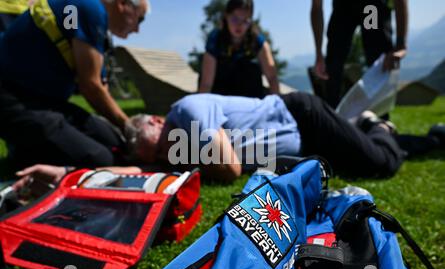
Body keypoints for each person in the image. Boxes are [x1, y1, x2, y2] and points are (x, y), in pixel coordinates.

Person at [13, 92, 444, 186]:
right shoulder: (172, 146)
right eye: (158, 157)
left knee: (380, 165)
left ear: (161, 120)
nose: (168, 157)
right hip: (303, 147)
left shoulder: (186, 110)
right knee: (363, 157)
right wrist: (67, 172)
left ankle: (379, 126)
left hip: (304, 119)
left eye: (163, 145)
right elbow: (135, 170)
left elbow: (229, 168)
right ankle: (429, 139)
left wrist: (176, 161)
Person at [0, 0, 149, 169]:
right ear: (123, 4)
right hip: (13, 100)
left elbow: (99, 85)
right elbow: (91, 87)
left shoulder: (96, 21)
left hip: (46, 102)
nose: (137, 29)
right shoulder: (90, 8)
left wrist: (123, 127)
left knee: (114, 142)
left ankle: (32, 146)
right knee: (102, 160)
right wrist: (129, 127)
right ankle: (24, 152)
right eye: (140, 19)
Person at [311, 0, 408, 108]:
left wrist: (401, 43)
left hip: (370, 6)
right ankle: (331, 114)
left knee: (377, 59)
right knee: (333, 65)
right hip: (344, 7)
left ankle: (380, 117)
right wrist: (319, 53)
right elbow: (317, 7)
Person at [199, 0, 280, 98]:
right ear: (226, 16)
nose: (239, 25)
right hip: (220, 99)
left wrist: (277, 105)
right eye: (235, 19)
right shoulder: (216, 39)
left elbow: (272, 77)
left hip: (250, 99)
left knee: (251, 69)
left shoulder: (256, 39)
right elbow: (206, 83)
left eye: (245, 20)